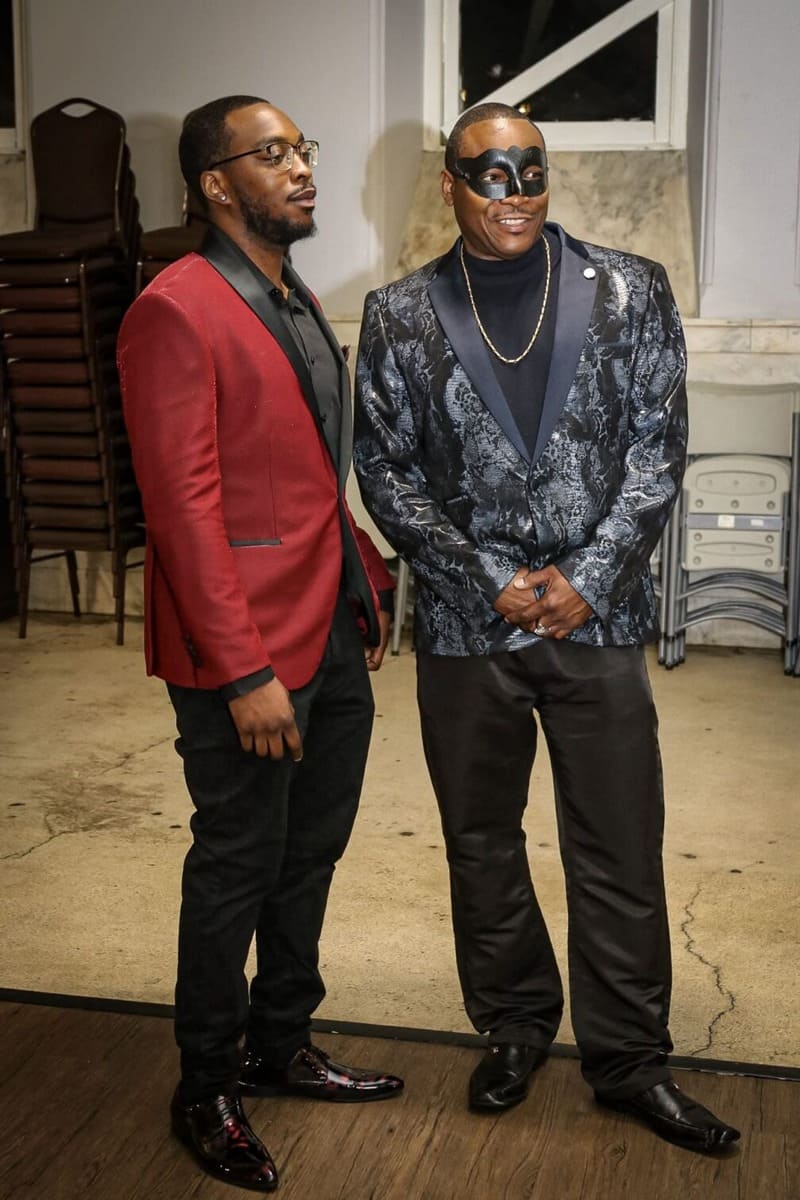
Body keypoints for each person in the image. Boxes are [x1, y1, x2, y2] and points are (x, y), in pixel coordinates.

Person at [354, 101, 739, 1154]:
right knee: (481, 843)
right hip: (465, 631)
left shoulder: (630, 288)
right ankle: (515, 1027)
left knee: (618, 843)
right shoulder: (397, 314)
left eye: (530, 169)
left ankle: (630, 1062)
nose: (514, 191)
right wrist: (485, 578)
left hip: (595, 623)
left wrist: (589, 575)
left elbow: (658, 447)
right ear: (450, 184)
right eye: (489, 172)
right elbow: (383, 469)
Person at [118, 95, 403, 1193]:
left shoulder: (295, 297)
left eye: (301, 149)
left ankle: (280, 1042)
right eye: (270, 153)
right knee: (236, 863)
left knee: (310, 851)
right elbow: (183, 513)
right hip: (242, 656)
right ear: (214, 183)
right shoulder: (174, 310)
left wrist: (363, 583)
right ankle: (205, 1085)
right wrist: (243, 671)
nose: (299, 168)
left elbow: (305, 480)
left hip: (328, 628)